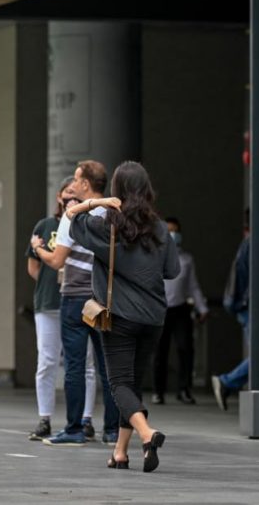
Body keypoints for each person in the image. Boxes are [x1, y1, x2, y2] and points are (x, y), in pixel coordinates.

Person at [67, 160, 180, 472]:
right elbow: (172, 271)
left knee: (118, 383)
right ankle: (120, 452)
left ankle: (147, 434)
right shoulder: (159, 228)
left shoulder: (108, 226)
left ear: (116, 189)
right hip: (154, 318)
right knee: (132, 383)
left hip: (119, 316)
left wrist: (96, 202)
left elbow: (71, 218)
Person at [32, 160, 119, 446]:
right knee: (106, 366)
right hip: (103, 298)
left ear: (84, 184)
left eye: (78, 179)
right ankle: (111, 430)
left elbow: (57, 260)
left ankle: (74, 428)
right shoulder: (111, 213)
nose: (74, 183)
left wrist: (39, 249)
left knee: (75, 364)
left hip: (75, 298)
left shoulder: (73, 216)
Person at [26, 176, 98, 441]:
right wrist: (49, 282)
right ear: (59, 197)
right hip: (48, 302)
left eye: (75, 194)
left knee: (84, 362)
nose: (71, 198)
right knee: (46, 361)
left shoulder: (85, 223)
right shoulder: (46, 225)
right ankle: (44, 418)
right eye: (67, 193)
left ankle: (86, 419)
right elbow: (33, 267)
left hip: (79, 300)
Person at [152, 217, 208, 405]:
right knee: (160, 351)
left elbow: (193, 286)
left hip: (180, 309)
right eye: (168, 231)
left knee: (185, 349)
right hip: (160, 308)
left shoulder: (186, 259)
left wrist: (202, 308)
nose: (172, 235)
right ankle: (158, 391)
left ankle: (184, 389)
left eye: (175, 231)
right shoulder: (154, 255)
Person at [211, 209, 250, 411]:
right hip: (249, 307)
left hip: (245, 306)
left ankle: (227, 382)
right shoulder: (252, 244)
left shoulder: (248, 244)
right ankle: (227, 382)